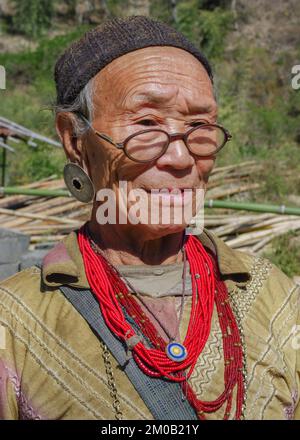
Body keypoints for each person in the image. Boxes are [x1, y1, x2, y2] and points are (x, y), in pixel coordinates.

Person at [0, 16, 299, 420]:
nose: (180, 157)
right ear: (74, 140)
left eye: (199, 126)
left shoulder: (275, 297)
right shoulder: (17, 321)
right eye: (146, 124)